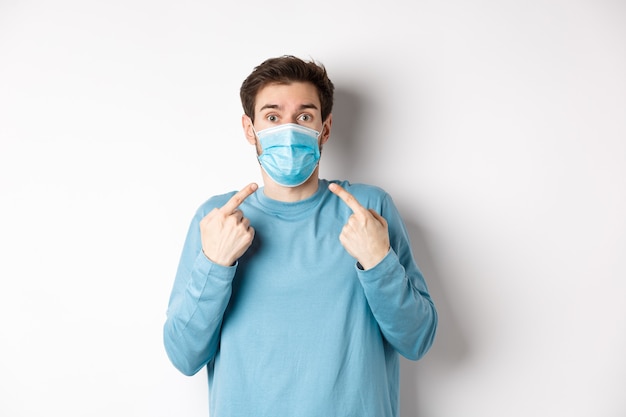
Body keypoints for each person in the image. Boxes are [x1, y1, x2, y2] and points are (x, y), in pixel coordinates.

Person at [163, 55, 437, 417]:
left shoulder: (367, 209)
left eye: (304, 117)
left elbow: (417, 340)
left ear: (325, 129)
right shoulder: (219, 219)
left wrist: (378, 263)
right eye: (273, 117)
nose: (288, 130)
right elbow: (184, 355)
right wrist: (215, 264)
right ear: (250, 129)